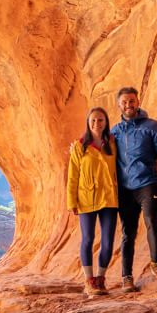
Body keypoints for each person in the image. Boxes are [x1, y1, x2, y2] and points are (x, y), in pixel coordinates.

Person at [110, 87, 157, 292]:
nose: (128, 105)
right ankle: (127, 277)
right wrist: (79, 147)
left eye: (131, 101)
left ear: (138, 102)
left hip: (148, 183)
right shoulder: (115, 132)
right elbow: (99, 151)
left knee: (151, 222)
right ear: (119, 106)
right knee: (128, 232)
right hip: (125, 190)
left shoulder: (152, 127)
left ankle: (156, 265)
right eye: (124, 102)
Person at [67, 107, 119, 296]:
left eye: (101, 120)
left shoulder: (112, 144)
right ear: (88, 123)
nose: (97, 124)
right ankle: (89, 280)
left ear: (106, 123)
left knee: (107, 241)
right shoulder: (80, 146)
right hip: (86, 198)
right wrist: (71, 201)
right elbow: (73, 176)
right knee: (88, 239)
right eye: (94, 121)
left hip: (109, 198)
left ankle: (100, 278)